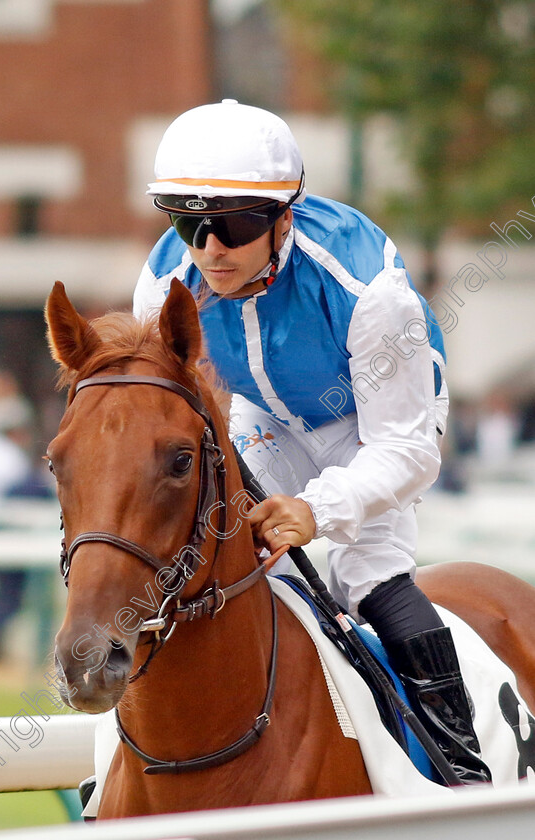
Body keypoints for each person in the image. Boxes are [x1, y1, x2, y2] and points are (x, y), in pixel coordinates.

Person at [133, 99, 490, 785]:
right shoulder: (163, 283)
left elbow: (409, 452)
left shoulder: (367, 290)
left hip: (375, 425)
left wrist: (316, 511)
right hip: (264, 417)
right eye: (187, 221)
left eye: (233, 225)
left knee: (368, 580)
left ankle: (463, 774)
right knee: (226, 570)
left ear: (282, 219)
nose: (209, 248)